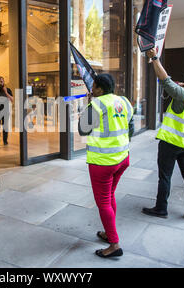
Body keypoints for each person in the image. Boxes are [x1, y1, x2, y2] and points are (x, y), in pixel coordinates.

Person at [142, 48, 184, 222]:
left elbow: (165, 80)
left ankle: (161, 208)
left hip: (171, 143)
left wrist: (154, 58)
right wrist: (182, 88)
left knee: (165, 176)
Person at [78, 73, 134, 258]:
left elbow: (82, 129)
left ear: (100, 89)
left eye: (93, 86)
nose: (91, 89)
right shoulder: (124, 101)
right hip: (122, 158)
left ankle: (114, 244)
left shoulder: (96, 104)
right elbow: (130, 125)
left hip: (103, 162)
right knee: (109, 196)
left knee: (103, 202)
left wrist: (87, 107)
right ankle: (108, 232)